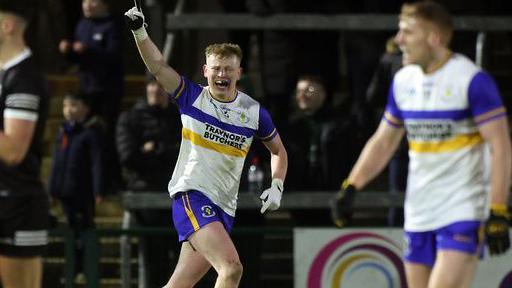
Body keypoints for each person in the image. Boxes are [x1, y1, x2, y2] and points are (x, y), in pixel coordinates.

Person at [331, 2, 511, 288]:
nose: (398, 40)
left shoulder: (472, 81)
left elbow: (500, 146)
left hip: (463, 208)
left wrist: (498, 208)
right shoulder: (403, 81)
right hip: (419, 210)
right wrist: (351, 186)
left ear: (434, 38)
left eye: (406, 32)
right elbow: (384, 140)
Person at [124, 6, 288, 288]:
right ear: (205, 71)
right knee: (231, 268)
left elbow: (279, 151)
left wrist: (277, 185)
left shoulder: (253, 111)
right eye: (216, 68)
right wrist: (140, 32)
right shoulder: (192, 97)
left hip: (225, 207)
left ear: (239, 72)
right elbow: (158, 66)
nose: (221, 74)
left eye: (228, 69)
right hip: (193, 197)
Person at [0, 2, 50, 288]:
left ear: (7, 26)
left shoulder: (25, 78)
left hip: (16, 203)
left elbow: (12, 151)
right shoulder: (5, 73)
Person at [116, 77, 181, 287]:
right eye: (152, 84)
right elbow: (128, 157)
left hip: (178, 196)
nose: (156, 89)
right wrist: (164, 155)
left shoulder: (179, 117)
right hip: (146, 199)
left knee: (181, 261)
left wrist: (156, 149)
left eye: (162, 85)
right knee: (153, 259)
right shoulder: (131, 118)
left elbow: (189, 152)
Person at [48, 92, 104, 279]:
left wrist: (98, 190)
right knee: (70, 233)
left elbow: (97, 163)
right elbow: (57, 162)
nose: (68, 110)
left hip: (82, 192)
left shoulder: (90, 133)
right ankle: (73, 269)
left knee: (84, 231)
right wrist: (53, 188)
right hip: (64, 192)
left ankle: (85, 269)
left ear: (85, 108)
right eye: (65, 105)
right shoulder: (62, 131)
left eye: (73, 105)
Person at [366, 36, 407, 227]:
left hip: (402, 142)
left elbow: (373, 96)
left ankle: (395, 236)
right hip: (412, 142)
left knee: (397, 196)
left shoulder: (388, 59)